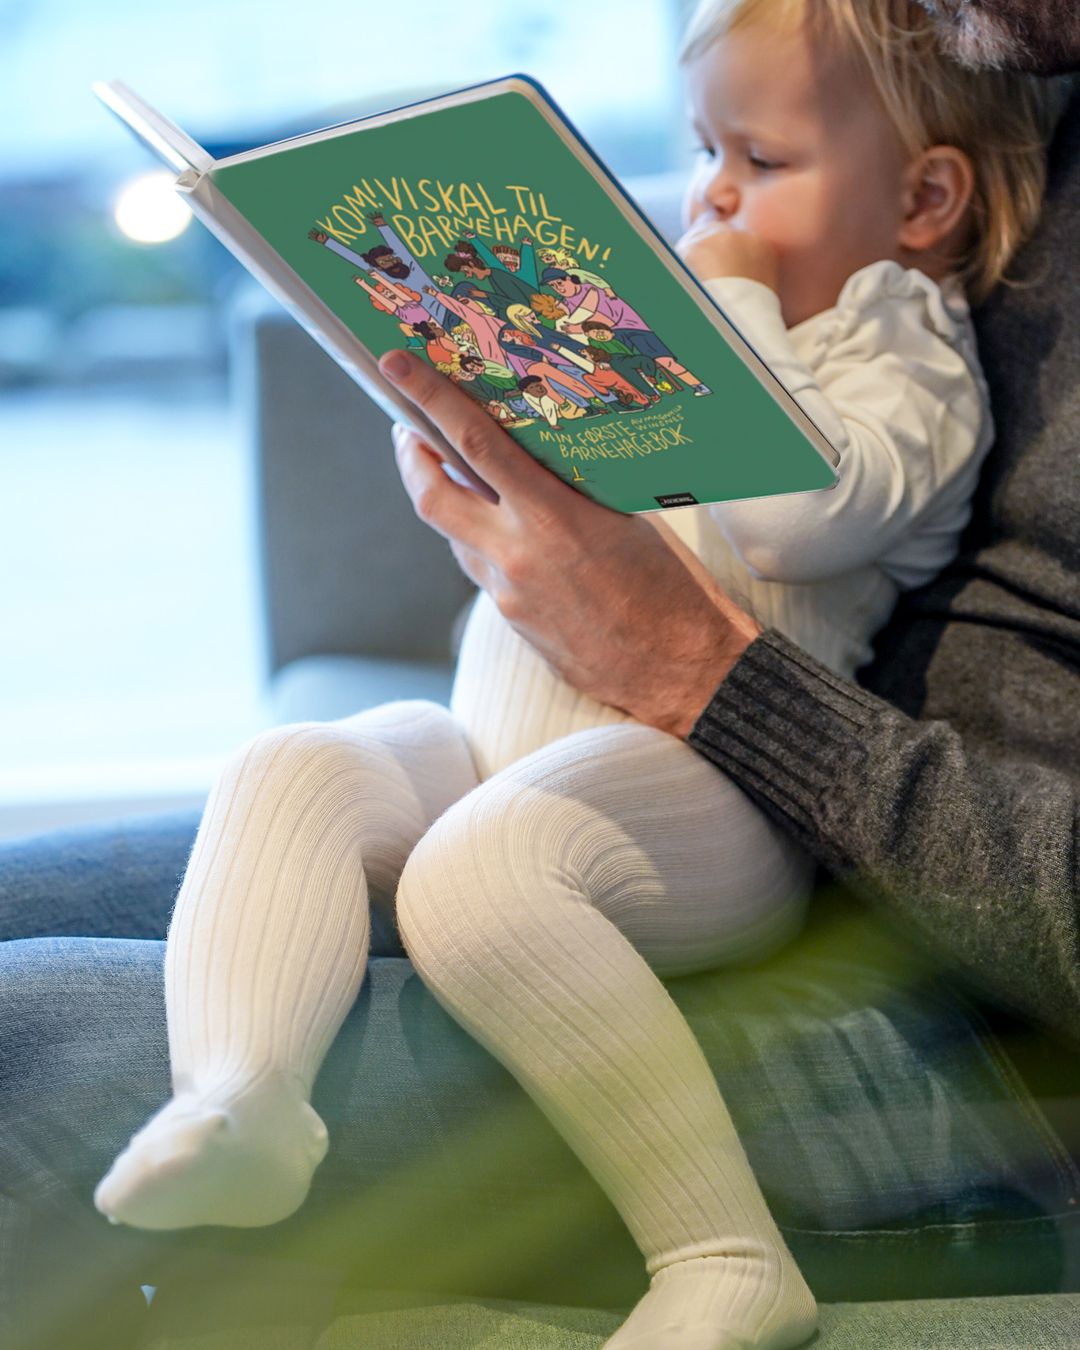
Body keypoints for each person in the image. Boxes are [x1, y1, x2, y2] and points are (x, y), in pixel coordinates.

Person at [86, 6, 1069, 1350]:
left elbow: (792, 516)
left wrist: (714, 304)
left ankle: (724, 1253)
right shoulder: (751, 303)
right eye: (700, 147)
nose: (713, 193)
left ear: (923, 198)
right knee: (288, 765)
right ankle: (243, 1099)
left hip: (722, 791)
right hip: (512, 739)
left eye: (763, 162)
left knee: (480, 871)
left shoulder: (901, 343)